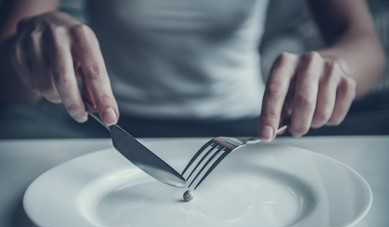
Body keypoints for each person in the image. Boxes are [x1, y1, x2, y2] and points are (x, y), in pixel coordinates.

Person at [0, 0, 385, 139]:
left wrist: (337, 67)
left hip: (249, 130)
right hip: (105, 127)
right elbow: (11, 88)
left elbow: (365, 42)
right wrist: (30, 44)